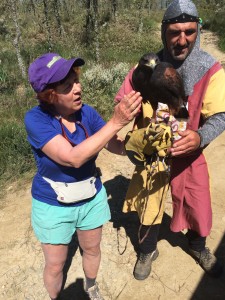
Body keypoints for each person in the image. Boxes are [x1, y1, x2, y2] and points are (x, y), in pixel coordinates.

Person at [115, 0, 225, 280]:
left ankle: (197, 245)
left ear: (198, 31)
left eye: (189, 31)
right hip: (152, 156)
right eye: (175, 31)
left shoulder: (210, 69)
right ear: (164, 31)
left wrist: (200, 137)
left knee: (197, 202)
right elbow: (123, 103)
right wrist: (126, 120)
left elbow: (221, 116)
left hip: (188, 152)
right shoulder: (144, 65)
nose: (182, 39)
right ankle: (147, 250)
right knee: (148, 205)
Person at [24, 52, 142, 300]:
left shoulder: (86, 113)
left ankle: (90, 285)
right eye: (67, 86)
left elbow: (114, 145)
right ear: (49, 95)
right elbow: (72, 157)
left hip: (90, 197)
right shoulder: (36, 119)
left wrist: (141, 142)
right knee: (56, 264)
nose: (78, 88)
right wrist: (116, 121)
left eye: (76, 80)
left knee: (91, 249)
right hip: (53, 204)